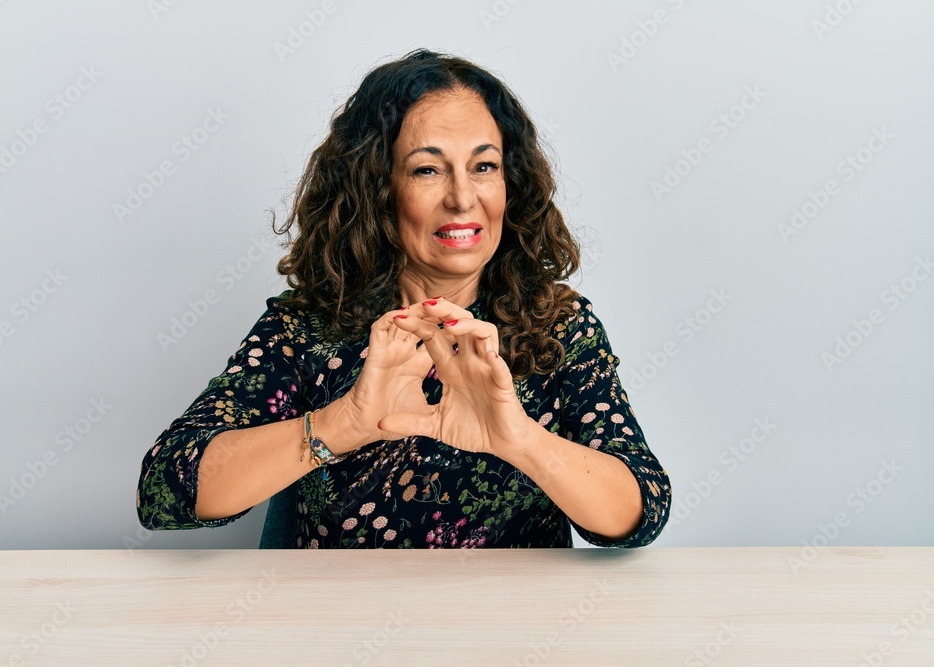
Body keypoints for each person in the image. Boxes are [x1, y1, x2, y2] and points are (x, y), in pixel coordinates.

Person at [136, 48, 672, 549]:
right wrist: (343, 422)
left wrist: (520, 440)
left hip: (510, 637)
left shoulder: (556, 325)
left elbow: (641, 513)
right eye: (427, 169)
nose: (463, 197)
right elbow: (165, 491)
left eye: (484, 166)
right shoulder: (307, 327)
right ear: (378, 189)